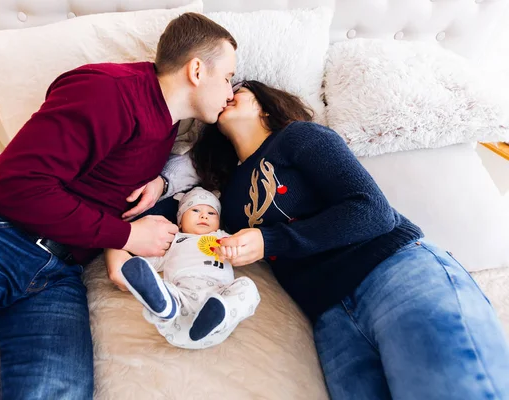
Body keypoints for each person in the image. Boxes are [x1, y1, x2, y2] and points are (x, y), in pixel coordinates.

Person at [0, 13, 237, 399]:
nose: (230, 92)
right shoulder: (110, 89)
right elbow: (12, 185)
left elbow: (170, 166)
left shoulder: (167, 124)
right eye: (228, 77)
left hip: (55, 269)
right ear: (197, 70)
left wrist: (159, 181)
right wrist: (128, 233)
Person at [188, 80, 509, 399]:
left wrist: (271, 241)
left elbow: (372, 210)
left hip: (393, 272)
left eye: (238, 89)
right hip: (332, 320)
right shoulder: (229, 200)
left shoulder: (297, 137)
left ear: (263, 104)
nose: (228, 93)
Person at [108, 187, 260, 350]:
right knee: (164, 288)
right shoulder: (173, 241)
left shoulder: (224, 238)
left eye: (211, 213)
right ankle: (165, 306)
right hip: (182, 301)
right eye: (195, 210)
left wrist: (233, 251)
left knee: (248, 287)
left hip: (219, 295)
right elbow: (147, 266)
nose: (203, 215)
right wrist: (135, 265)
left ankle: (219, 315)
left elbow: (245, 248)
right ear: (179, 221)